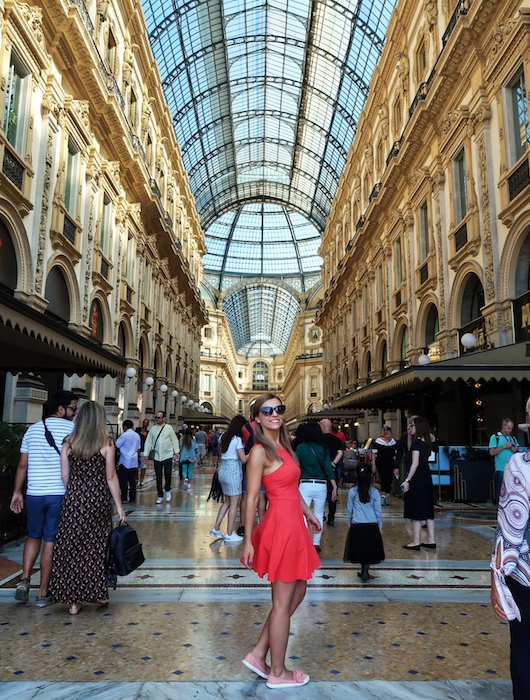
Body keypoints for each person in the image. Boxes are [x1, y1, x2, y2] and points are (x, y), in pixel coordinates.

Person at [241, 394, 321, 689]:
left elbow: (291, 488)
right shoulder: (260, 452)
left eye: (278, 409)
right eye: (267, 410)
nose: (275, 413)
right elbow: (250, 499)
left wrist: (308, 513)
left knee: (297, 592)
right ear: (258, 418)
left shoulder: (286, 447)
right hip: (281, 528)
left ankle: (258, 654)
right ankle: (278, 671)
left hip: (295, 524)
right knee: (282, 602)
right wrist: (248, 539)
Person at [50, 401, 126, 615]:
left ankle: (74, 601)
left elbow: (64, 476)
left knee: (71, 548)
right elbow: (111, 476)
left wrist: (76, 493)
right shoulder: (106, 442)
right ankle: (95, 592)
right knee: (95, 549)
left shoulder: (68, 442)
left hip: (73, 500)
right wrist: (119, 506)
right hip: (97, 501)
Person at [10, 390, 78, 607]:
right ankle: (42, 593)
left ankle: (24, 578)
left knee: (33, 536)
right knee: (50, 539)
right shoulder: (73, 430)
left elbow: (23, 465)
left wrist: (17, 492)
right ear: (61, 409)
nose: (75, 413)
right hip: (59, 492)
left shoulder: (32, 430)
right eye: (73, 409)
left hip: (34, 492)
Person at [491, 397, 530, 700]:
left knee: (524, 645)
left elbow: (511, 530)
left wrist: (497, 579)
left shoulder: (521, 465)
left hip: (527, 577)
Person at [295, 422, 337, 554]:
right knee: (318, 514)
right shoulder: (323, 449)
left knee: (302, 514)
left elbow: (295, 466)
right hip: (321, 485)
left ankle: (302, 541)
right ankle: (316, 543)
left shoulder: (301, 448)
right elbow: (328, 468)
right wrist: (334, 485)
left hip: (305, 484)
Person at [210, 415, 249, 541]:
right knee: (233, 504)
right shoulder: (237, 439)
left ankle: (216, 528)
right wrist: (253, 452)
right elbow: (243, 459)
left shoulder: (224, 436)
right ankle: (229, 533)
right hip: (233, 471)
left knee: (227, 502)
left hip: (223, 470)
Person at [344, 463, 384, 582]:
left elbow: (350, 509)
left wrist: (349, 522)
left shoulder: (352, 492)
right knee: (369, 549)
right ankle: (366, 569)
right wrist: (380, 525)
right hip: (372, 525)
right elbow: (378, 511)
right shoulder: (375, 492)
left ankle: (363, 570)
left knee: (360, 548)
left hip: (357, 524)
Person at [400, 416, 436, 550]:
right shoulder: (427, 442)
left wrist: (407, 479)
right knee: (427, 507)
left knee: (416, 509)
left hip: (417, 477)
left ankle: (416, 541)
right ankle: (431, 540)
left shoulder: (416, 443)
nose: (410, 428)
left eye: (412, 426)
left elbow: (414, 462)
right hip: (427, 476)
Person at [143, 411, 180, 504]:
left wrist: (176, 451)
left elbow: (174, 440)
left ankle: (167, 489)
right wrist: (146, 454)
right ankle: (160, 495)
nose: (157, 419)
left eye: (159, 417)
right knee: (158, 475)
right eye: (156, 417)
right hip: (156, 455)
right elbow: (148, 442)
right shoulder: (153, 429)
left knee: (168, 474)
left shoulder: (169, 428)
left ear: (164, 418)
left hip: (167, 454)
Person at [319, 419, 343, 526]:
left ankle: (321, 513)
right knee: (332, 493)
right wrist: (333, 463)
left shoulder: (319, 440)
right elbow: (340, 452)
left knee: (322, 494)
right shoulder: (336, 439)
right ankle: (331, 517)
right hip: (333, 470)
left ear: (323, 427)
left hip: (322, 470)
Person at [489, 418, 519, 505]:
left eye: (511, 429)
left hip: (513, 470)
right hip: (501, 468)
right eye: (508, 428)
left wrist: (515, 449)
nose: (510, 430)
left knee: (512, 491)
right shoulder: (495, 437)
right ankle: (499, 510)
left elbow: (517, 452)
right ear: (503, 426)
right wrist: (504, 447)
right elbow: (492, 452)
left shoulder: (512, 438)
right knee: (500, 490)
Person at [115, 419, 141, 504]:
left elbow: (117, 444)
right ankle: (133, 498)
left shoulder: (124, 435)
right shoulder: (137, 435)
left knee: (123, 481)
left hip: (124, 460)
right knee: (132, 481)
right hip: (134, 461)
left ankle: (124, 498)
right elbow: (138, 448)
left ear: (125, 426)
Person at [374, 426, 397, 506]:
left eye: (390, 434)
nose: (388, 436)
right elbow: (374, 453)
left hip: (390, 464)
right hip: (381, 463)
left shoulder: (393, 442)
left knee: (389, 479)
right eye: (387, 434)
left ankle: (387, 496)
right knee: (383, 478)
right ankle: (382, 496)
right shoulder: (378, 442)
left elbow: (395, 453)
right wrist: (373, 464)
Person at [135, 418, 150, 488]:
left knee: (143, 467)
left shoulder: (148, 432)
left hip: (144, 451)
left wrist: (145, 435)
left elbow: (150, 441)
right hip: (137, 450)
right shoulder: (138, 430)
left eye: (146, 423)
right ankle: (136, 479)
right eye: (144, 423)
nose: (145, 425)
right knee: (136, 466)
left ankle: (141, 481)